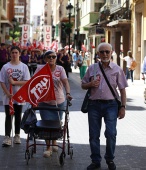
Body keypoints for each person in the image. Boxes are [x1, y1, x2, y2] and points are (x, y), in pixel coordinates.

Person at [81, 42, 128, 170]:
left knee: (111, 133)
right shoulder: (92, 68)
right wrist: (90, 84)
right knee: (94, 134)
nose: (105, 54)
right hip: (94, 105)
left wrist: (123, 107)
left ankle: (110, 159)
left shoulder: (117, 69)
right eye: (102, 52)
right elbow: (83, 84)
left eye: (107, 51)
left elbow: (123, 90)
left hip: (111, 105)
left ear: (111, 52)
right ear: (98, 54)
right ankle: (95, 160)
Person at [34, 50, 72, 158]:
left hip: (58, 102)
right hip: (44, 102)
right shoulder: (40, 68)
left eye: (54, 57)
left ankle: (54, 142)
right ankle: (48, 147)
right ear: (45, 58)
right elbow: (34, 83)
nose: (51, 58)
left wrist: (68, 93)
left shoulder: (60, 69)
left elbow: (65, 82)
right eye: (49, 57)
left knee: (56, 124)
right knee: (47, 125)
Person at [0, 46, 31, 147]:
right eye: (13, 52)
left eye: (16, 52)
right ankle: (7, 137)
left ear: (19, 54)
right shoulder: (5, 67)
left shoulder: (24, 67)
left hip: (19, 96)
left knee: (18, 115)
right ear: (10, 54)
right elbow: (1, 81)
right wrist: (7, 93)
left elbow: (27, 81)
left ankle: (17, 135)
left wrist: (15, 83)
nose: (14, 54)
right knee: (8, 115)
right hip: (8, 96)